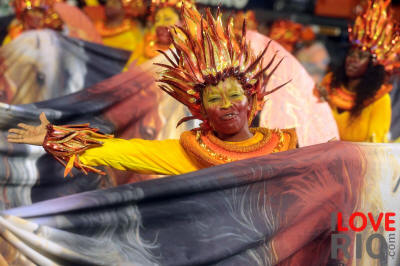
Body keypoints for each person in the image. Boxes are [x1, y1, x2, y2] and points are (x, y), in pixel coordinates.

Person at [8, 6, 297, 177]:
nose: (226, 105)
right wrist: (54, 137)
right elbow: (120, 150)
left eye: (235, 95)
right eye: (213, 98)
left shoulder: (286, 147)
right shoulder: (191, 153)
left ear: (252, 101)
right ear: (201, 110)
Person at [315, 0, 399, 143]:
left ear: (373, 65)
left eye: (360, 56)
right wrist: (320, 102)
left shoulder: (380, 99)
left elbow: (374, 147)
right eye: (351, 54)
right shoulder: (329, 83)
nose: (352, 59)